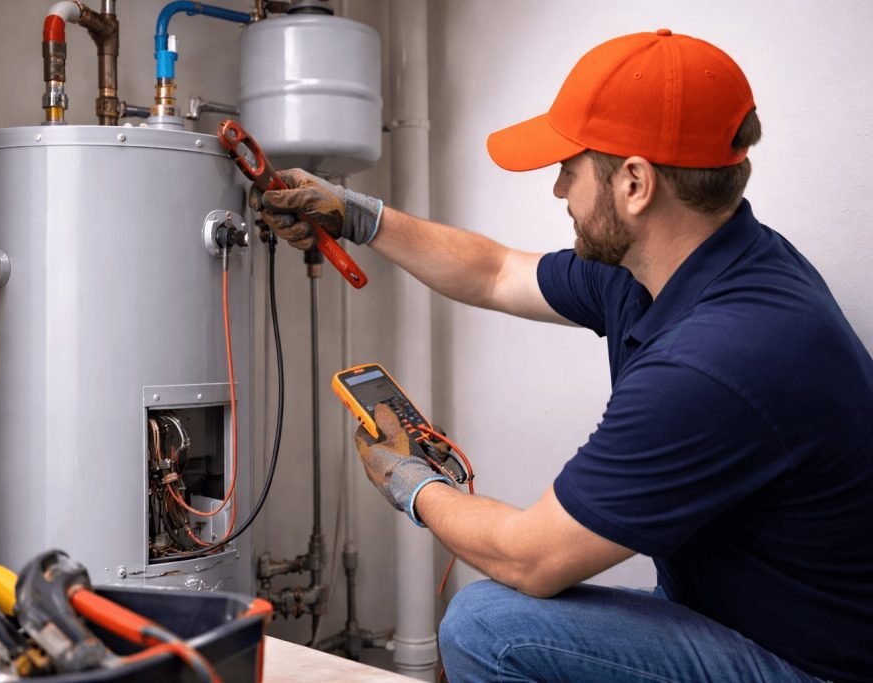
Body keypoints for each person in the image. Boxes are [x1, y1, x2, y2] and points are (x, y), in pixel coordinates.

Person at [252, 29, 873, 682]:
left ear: (634, 182)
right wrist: (360, 217)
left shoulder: (717, 358)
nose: (557, 190)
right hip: (734, 613)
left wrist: (412, 483)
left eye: (570, 168)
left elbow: (531, 557)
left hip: (807, 665)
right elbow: (495, 272)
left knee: (486, 623)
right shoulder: (675, 265)